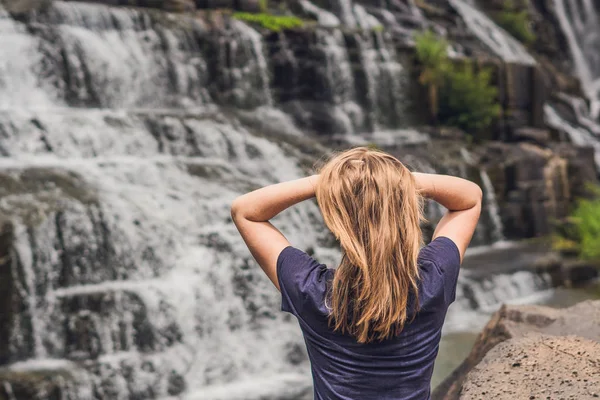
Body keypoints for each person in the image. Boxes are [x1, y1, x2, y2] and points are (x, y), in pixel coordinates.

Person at [230, 146, 482, 400]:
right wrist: (392, 181)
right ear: (406, 211)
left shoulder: (310, 290)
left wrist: (328, 181)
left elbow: (246, 211)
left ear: (338, 221)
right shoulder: (433, 278)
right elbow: (470, 198)